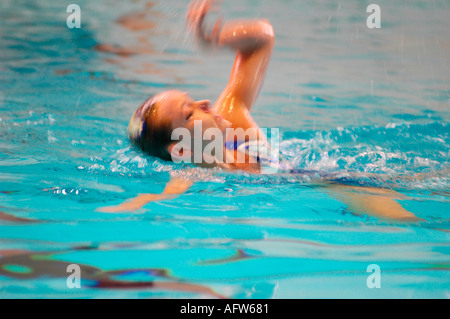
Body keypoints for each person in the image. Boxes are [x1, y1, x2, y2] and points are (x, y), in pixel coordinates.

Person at [98, 0, 421, 222]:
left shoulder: (233, 118)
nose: (205, 103)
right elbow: (161, 198)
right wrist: (132, 205)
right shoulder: (192, 172)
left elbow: (262, 38)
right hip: (337, 189)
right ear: (181, 147)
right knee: (418, 226)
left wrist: (212, 39)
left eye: (193, 99)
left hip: (343, 179)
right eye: (190, 112)